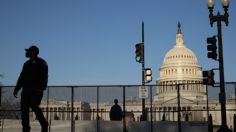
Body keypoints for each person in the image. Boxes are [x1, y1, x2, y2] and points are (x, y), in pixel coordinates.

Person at [13, 45, 48, 132]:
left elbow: (44, 76)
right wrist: (17, 88)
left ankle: (44, 125)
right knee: (24, 111)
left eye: (28, 51)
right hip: (26, 91)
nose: (26, 52)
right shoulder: (26, 64)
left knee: (35, 107)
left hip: (36, 91)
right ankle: (26, 129)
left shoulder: (42, 62)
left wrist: (41, 88)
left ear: (33, 52)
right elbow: (21, 77)